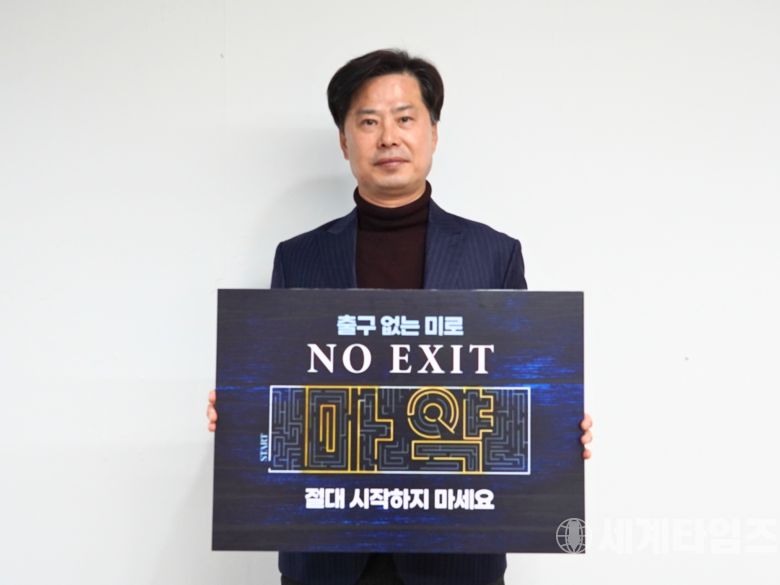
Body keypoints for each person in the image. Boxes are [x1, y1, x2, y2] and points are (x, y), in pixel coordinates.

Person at [207, 49, 594, 585]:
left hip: (457, 556)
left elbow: (517, 393)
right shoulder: (297, 257)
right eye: (368, 122)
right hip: (326, 555)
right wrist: (245, 412)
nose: (388, 137)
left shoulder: (495, 254)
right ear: (345, 142)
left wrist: (555, 426)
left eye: (405, 118)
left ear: (433, 133)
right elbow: (284, 395)